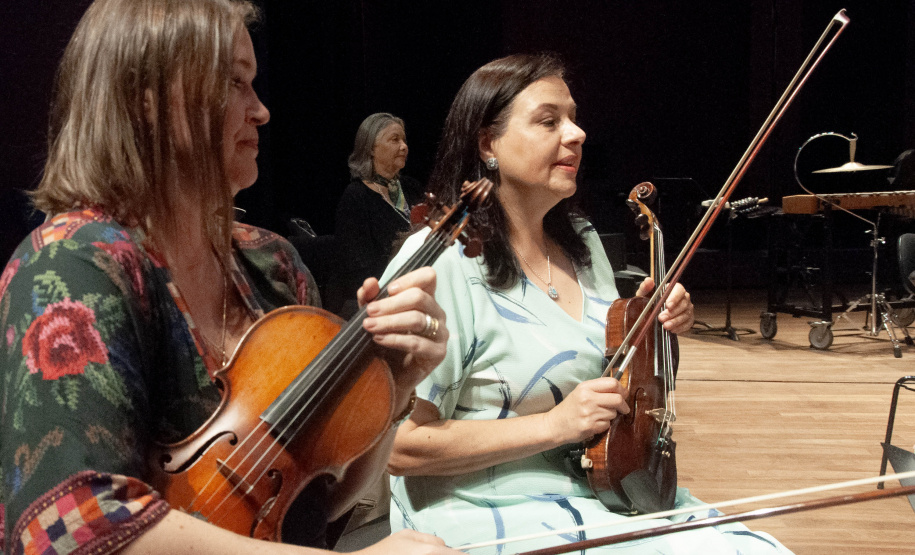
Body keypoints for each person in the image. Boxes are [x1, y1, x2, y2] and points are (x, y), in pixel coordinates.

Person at [0, 1, 460, 554]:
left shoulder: (275, 265)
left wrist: (397, 384)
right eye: (234, 83)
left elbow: (310, 509)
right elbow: (69, 530)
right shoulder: (71, 263)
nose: (261, 110)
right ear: (147, 98)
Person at [381, 54, 793, 554]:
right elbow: (399, 447)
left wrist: (649, 325)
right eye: (549, 121)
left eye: (573, 118)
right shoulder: (440, 262)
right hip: (487, 510)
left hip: (603, 488)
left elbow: (607, 371)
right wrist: (553, 426)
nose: (576, 134)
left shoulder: (580, 240)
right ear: (488, 142)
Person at [333, 114, 425, 318]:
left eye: (404, 140)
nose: (404, 146)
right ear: (371, 148)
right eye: (394, 140)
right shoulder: (356, 197)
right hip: (377, 302)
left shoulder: (411, 187)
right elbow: (358, 271)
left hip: (417, 290)